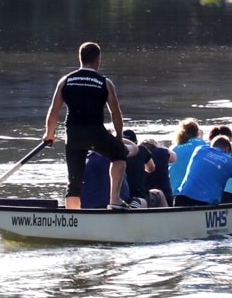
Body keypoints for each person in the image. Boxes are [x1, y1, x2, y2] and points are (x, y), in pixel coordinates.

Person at [43, 41, 128, 210]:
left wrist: (49, 133)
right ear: (98, 60)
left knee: (74, 181)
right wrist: (118, 136)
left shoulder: (66, 80)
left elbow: (54, 110)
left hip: (73, 134)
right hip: (95, 132)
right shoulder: (105, 82)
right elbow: (115, 113)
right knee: (119, 154)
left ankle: (72, 216)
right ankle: (114, 200)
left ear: (80, 58)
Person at [168, 118, 206, 196]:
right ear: (196, 132)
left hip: (173, 192)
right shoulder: (201, 144)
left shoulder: (173, 148)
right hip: (193, 194)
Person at [122, 129, 153, 202]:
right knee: (159, 194)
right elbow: (151, 168)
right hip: (139, 196)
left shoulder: (113, 152)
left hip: (120, 197)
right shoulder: (142, 150)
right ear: (136, 142)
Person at [143, 137, 176, 205]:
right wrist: (162, 147)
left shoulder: (140, 155)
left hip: (146, 197)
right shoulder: (162, 152)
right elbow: (174, 158)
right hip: (166, 195)